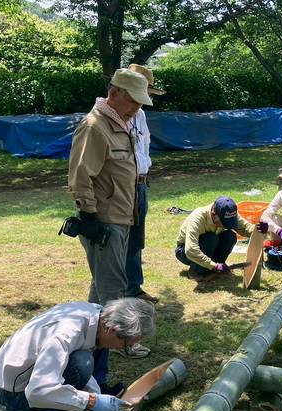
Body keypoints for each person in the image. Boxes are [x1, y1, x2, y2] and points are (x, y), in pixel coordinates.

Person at [67, 68, 152, 394]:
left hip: (121, 219)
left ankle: (82, 358)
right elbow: (80, 177)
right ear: (115, 93)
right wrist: (90, 217)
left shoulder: (120, 124)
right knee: (113, 295)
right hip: (104, 223)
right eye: (134, 101)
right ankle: (100, 377)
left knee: (99, 294)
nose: (138, 108)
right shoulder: (95, 126)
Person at [0, 298, 156, 411]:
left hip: (15, 375)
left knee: (84, 359)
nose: (124, 349)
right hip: (16, 394)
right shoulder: (65, 334)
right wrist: (92, 402)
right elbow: (38, 391)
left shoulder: (95, 315)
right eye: (127, 345)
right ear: (112, 330)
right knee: (83, 362)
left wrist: (97, 395)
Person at [121, 63, 165, 358]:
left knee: (137, 239)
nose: (144, 98)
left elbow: (144, 147)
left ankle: (134, 287)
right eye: (143, 91)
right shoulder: (115, 115)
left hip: (140, 183)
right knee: (119, 241)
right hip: (123, 186)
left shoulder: (141, 115)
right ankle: (120, 295)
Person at [175, 196, 255, 281]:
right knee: (211, 238)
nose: (227, 225)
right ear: (214, 214)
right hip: (184, 252)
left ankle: (216, 265)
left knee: (230, 236)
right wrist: (214, 266)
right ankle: (196, 271)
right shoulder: (196, 219)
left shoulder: (227, 213)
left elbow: (246, 228)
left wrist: (258, 230)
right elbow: (190, 250)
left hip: (207, 246)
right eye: (224, 222)